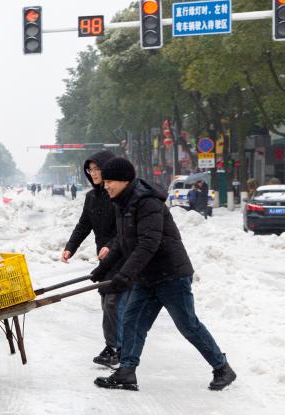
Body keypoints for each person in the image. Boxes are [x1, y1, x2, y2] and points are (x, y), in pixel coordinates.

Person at [90, 157, 236, 392]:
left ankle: (222, 367)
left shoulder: (147, 203)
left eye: (110, 181)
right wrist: (103, 268)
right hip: (147, 276)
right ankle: (126, 372)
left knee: (188, 325)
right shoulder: (122, 202)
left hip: (171, 275)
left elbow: (149, 243)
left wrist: (124, 275)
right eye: (104, 181)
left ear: (125, 180)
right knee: (132, 321)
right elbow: (121, 240)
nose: (105, 185)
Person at [61, 151, 124, 368]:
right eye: (91, 170)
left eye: (98, 169)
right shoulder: (91, 197)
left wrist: (111, 245)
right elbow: (83, 225)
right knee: (107, 301)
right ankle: (116, 347)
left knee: (113, 302)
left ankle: (115, 348)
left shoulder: (117, 195)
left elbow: (126, 228)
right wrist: (71, 247)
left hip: (123, 255)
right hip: (105, 258)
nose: (94, 173)